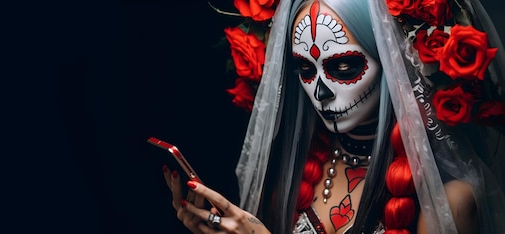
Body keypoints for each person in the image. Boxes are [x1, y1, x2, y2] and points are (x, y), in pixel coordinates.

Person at [161, 0, 505, 233]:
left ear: (392, 63)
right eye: (306, 69)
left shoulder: (448, 201)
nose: (321, 92)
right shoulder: (295, 176)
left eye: (344, 66)